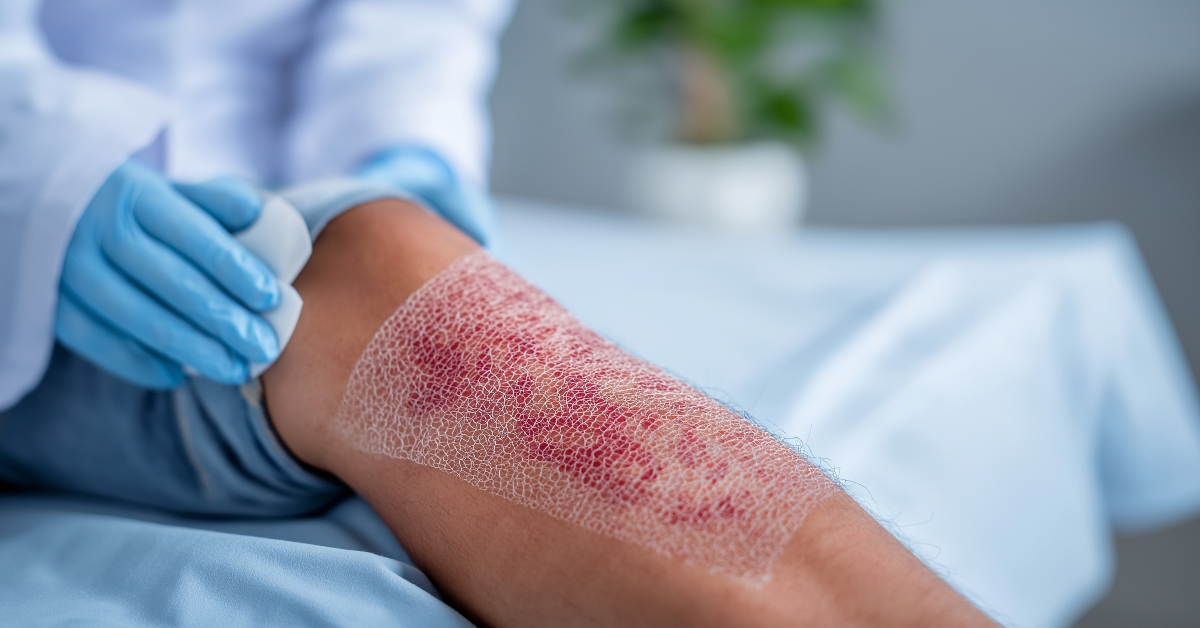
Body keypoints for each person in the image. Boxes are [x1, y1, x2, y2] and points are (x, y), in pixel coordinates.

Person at [0, 0, 514, 407]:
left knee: (388, 258)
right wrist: (46, 163)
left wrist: (405, 147)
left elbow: (419, 15)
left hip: (288, 194)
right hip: (33, 231)